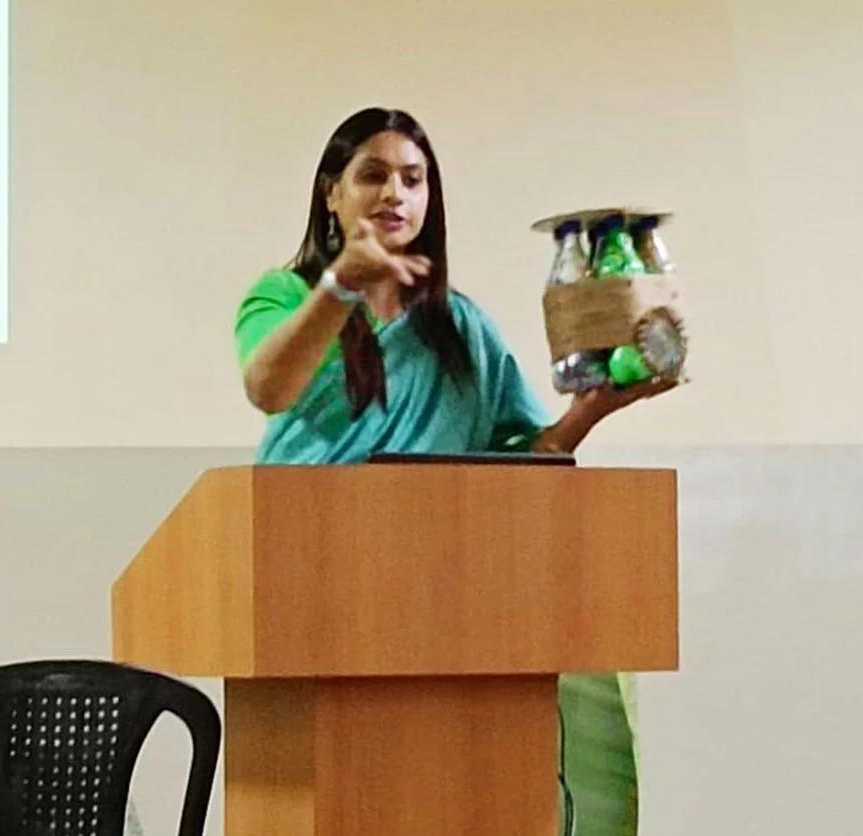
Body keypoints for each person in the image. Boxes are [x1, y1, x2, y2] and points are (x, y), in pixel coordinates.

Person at [233, 106, 676, 836]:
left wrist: (591, 411)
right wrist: (341, 286)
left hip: (440, 602)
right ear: (331, 194)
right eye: (373, 175)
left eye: (414, 179)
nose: (395, 194)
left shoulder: (462, 328)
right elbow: (267, 385)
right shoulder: (284, 297)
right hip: (308, 592)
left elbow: (516, 467)